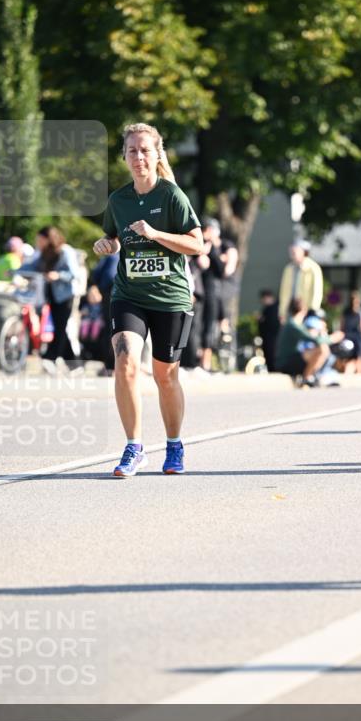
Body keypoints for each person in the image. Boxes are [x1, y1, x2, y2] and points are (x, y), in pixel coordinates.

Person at [93, 122, 203, 478]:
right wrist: (106, 245)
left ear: (157, 155)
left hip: (170, 297)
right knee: (124, 361)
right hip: (129, 295)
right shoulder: (119, 200)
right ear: (123, 156)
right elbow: (113, 238)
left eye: (145, 150)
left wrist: (156, 234)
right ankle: (134, 447)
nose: (138, 157)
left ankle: (173, 444)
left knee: (165, 376)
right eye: (132, 151)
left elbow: (197, 244)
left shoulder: (171, 196)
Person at [21, 226, 79, 371]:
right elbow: (33, 266)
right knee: (61, 328)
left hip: (65, 296)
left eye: (40, 240)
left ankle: (50, 357)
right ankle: (74, 364)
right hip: (52, 296)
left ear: (49, 239)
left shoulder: (66, 251)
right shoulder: (44, 254)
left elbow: (74, 273)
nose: (38, 243)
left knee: (60, 327)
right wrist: (17, 271)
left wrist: (58, 275)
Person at [275, 297, 334, 386]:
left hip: (291, 358)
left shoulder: (294, 324)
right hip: (285, 362)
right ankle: (307, 377)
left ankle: (311, 376)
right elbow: (313, 339)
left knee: (322, 349)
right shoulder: (293, 325)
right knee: (322, 349)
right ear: (303, 310)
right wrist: (332, 338)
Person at [196, 217, 225, 371]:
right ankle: (196, 359)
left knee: (209, 326)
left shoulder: (216, 248)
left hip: (212, 291)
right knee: (197, 325)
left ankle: (205, 362)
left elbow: (221, 271)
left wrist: (212, 250)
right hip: (199, 290)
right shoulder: (197, 245)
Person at [278, 239, 323, 322]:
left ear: (304, 252)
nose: (292, 252)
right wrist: (282, 312)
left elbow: (317, 291)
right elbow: (284, 292)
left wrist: (312, 310)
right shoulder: (289, 269)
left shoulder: (313, 268)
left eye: (296, 250)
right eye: (292, 250)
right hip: (291, 310)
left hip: (306, 311)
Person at [91, 250, 119, 374]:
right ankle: (110, 365)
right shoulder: (112, 255)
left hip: (120, 293)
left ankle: (112, 365)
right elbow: (97, 274)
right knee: (111, 330)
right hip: (110, 293)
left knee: (115, 330)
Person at [340, 290, 361, 373]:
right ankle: (356, 374)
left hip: (358, 338)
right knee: (350, 359)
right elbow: (342, 326)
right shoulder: (348, 312)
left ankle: (359, 374)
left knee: (359, 358)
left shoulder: (360, 312)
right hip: (350, 337)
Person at [257, 289, 280, 372]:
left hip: (273, 338)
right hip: (267, 338)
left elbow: (272, 323)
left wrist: (262, 320)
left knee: (272, 357)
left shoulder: (275, 308)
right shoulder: (267, 309)